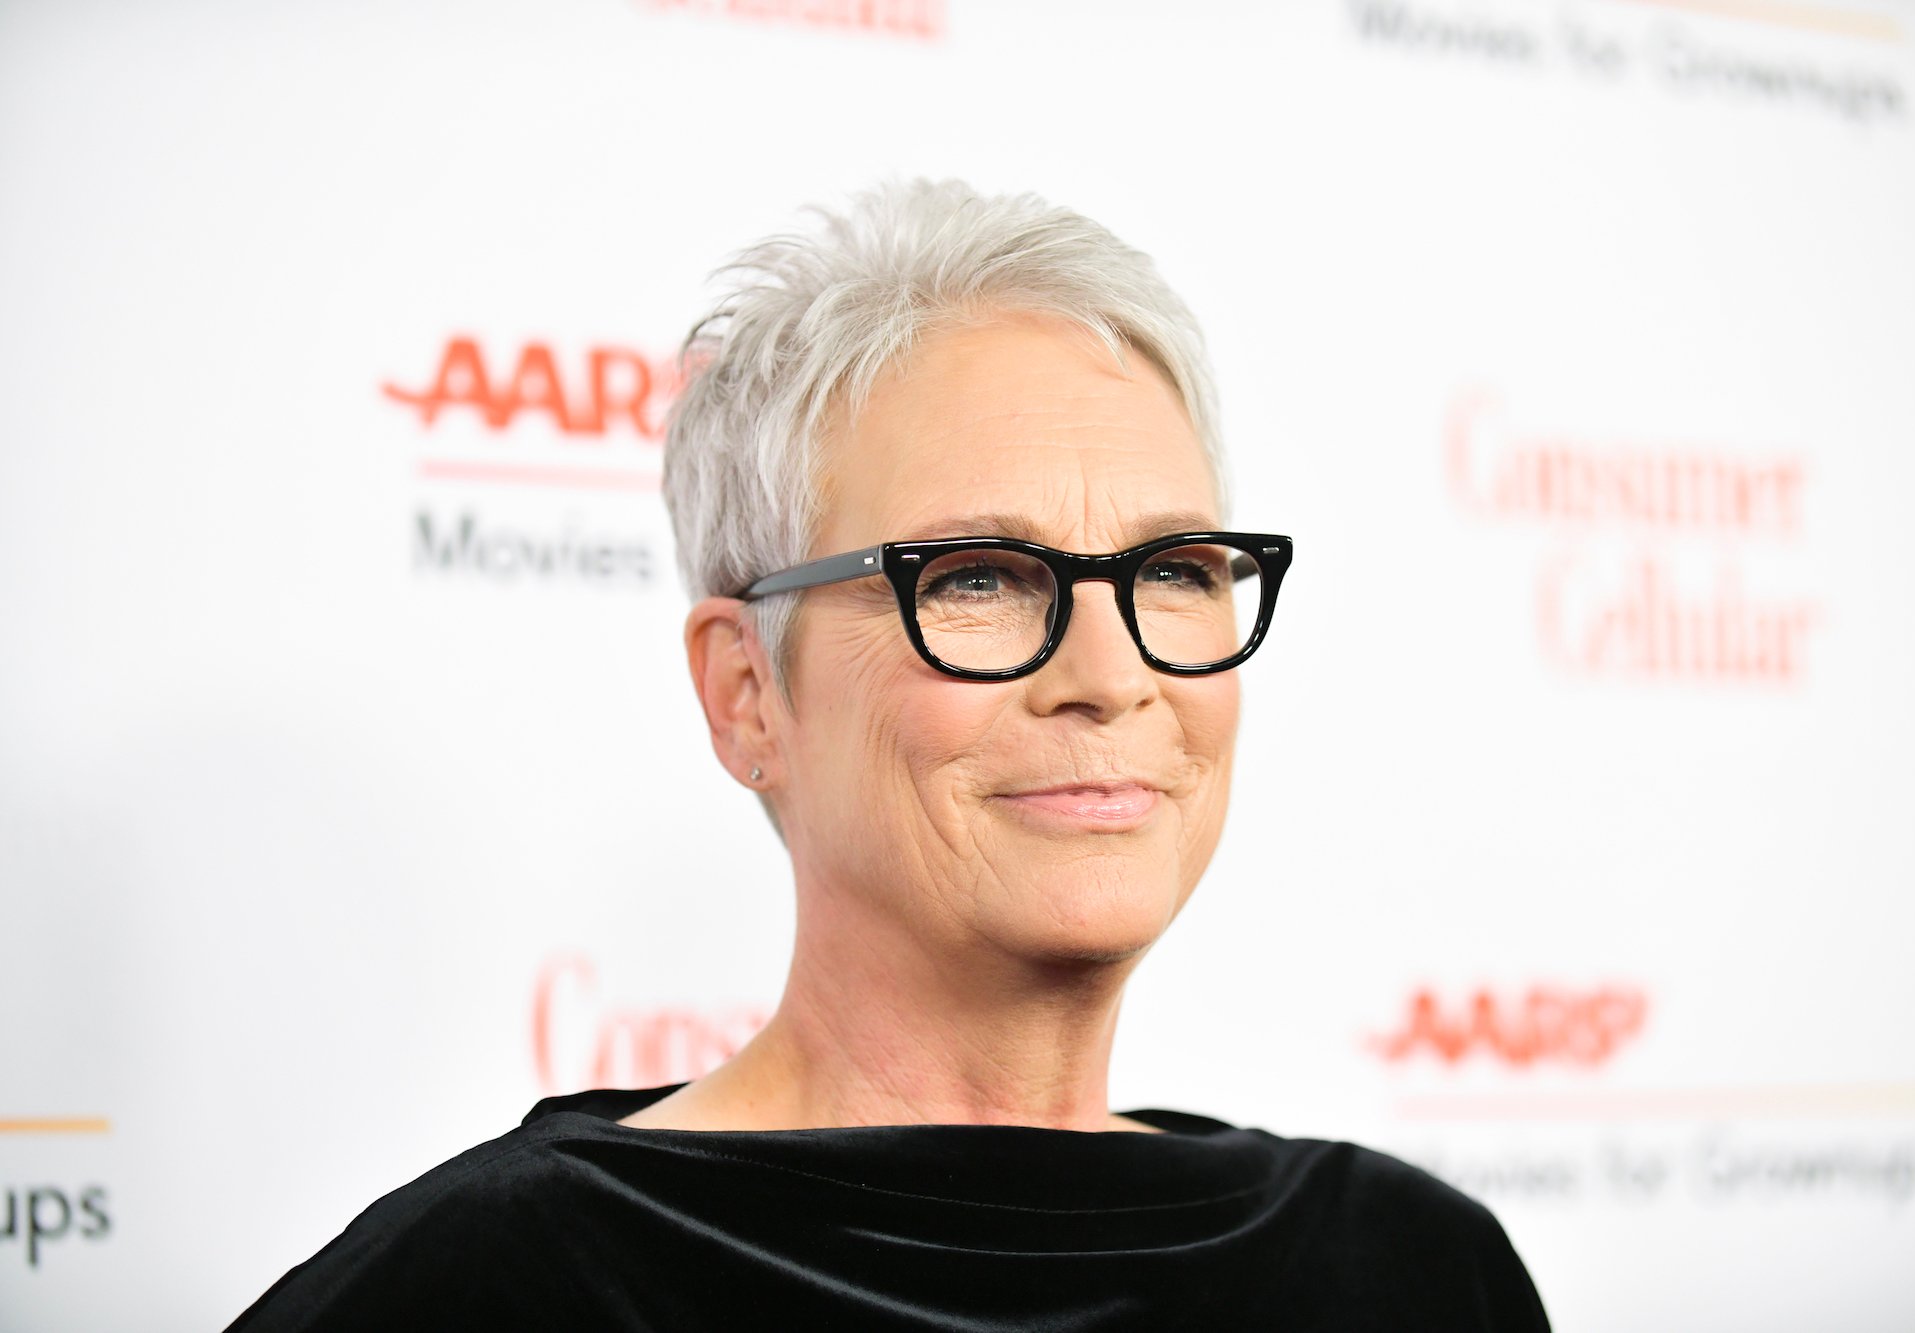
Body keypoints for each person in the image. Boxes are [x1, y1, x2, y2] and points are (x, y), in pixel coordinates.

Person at [227, 179, 1549, 1331]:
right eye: (980, 577)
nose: (1112, 677)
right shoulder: (490, 1288)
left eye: (1177, 570)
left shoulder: (1413, 1269)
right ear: (747, 693)